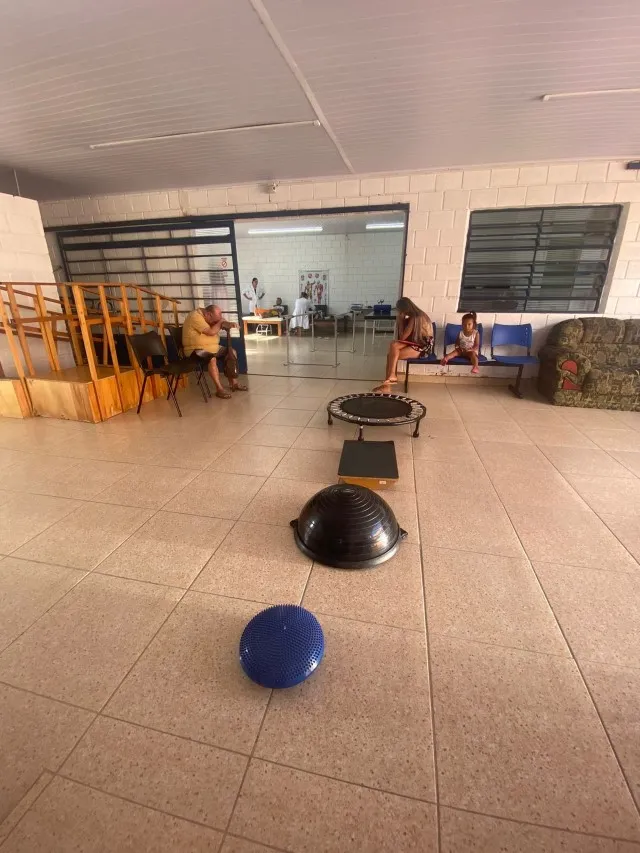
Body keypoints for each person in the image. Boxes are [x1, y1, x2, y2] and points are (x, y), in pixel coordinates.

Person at [182, 304, 247, 399]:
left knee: (231, 352)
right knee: (212, 359)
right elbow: (211, 331)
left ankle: (234, 383)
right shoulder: (195, 316)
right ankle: (219, 389)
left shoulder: (209, 316)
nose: (215, 322)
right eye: (215, 320)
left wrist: (229, 323)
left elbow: (221, 322)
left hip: (212, 347)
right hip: (195, 350)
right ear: (208, 314)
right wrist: (220, 322)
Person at [373, 298, 434, 392]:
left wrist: (400, 321)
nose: (399, 312)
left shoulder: (416, 317)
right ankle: (390, 379)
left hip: (423, 347)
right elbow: (403, 339)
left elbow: (402, 338)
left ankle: (389, 382)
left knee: (391, 355)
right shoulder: (416, 315)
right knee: (393, 347)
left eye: (400, 310)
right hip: (415, 342)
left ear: (405, 309)